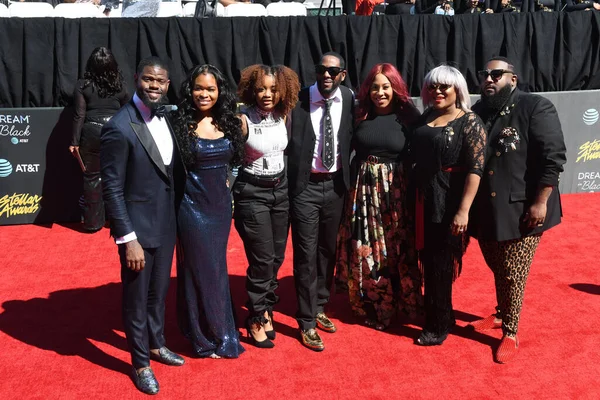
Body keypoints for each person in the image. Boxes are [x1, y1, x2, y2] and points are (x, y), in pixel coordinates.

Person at [469, 57, 566, 363]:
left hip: (523, 208)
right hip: (487, 208)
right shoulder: (478, 111)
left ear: (513, 79)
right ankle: (500, 313)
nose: (488, 79)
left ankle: (510, 330)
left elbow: (553, 158)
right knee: (496, 264)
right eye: (484, 74)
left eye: (496, 74)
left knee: (513, 271)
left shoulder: (534, 106)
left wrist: (541, 202)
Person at [100, 57, 185, 395]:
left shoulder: (167, 117)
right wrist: (127, 238)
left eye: (160, 81)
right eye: (148, 79)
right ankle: (140, 364)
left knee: (158, 294)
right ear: (136, 79)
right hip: (137, 231)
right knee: (136, 301)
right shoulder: (119, 126)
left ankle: (156, 344)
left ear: (167, 84)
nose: (154, 86)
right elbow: (111, 188)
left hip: (166, 225)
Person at [336, 63, 422, 331]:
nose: (380, 93)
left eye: (386, 87)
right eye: (375, 87)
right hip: (363, 193)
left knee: (397, 246)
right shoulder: (359, 114)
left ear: (395, 88)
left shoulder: (408, 115)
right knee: (366, 247)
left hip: (395, 193)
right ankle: (374, 303)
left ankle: (403, 301)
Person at [172, 64, 246, 359]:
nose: (204, 94)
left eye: (210, 89)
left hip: (219, 209)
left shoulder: (231, 122)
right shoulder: (179, 123)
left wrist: (227, 190)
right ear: (190, 90)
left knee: (213, 268)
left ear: (220, 91)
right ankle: (209, 335)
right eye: (198, 88)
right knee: (201, 270)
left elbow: (237, 163)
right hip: (190, 208)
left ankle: (210, 329)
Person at [411, 65, 486, 346]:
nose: (438, 91)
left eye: (444, 87)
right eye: (432, 86)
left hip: (449, 201)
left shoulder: (469, 121)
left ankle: (438, 325)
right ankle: (440, 313)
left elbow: (475, 170)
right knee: (428, 261)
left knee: (441, 263)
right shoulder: (427, 115)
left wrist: (463, 210)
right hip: (421, 199)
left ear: (458, 90)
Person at [287, 52, 354, 352]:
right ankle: (306, 321)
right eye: (321, 69)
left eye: (333, 70)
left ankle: (319, 305)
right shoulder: (298, 101)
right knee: (306, 254)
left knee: (328, 250)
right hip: (306, 188)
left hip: (336, 187)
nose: (326, 75)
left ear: (342, 74)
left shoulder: (349, 100)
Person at [234, 64, 300, 348]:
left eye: (273, 89)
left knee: (276, 258)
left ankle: (267, 308)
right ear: (252, 90)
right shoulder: (243, 119)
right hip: (252, 193)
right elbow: (230, 161)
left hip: (280, 191)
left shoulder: (284, 115)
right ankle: (256, 316)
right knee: (261, 260)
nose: (267, 94)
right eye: (261, 88)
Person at [70, 47, 128, 232]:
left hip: (91, 133)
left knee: (92, 178)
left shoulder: (83, 84)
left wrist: (74, 142)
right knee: (117, 177)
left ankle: (93, 224)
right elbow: (127, 112)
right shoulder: (121, 85)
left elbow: (79, 115)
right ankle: (117, 221)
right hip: (115, 131)